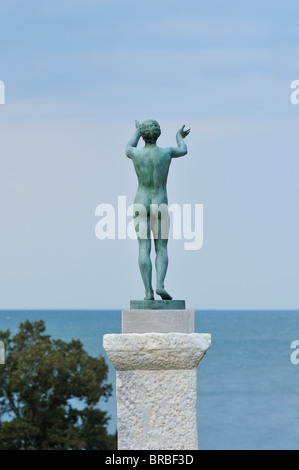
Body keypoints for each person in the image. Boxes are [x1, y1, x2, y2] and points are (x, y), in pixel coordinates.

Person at [126, 119, 190, 300]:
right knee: (161, 248)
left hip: (140, 201)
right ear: (158, 133)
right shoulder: (167, 153)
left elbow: (128, 147)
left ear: (144, 135)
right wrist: (179, 136)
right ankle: (160, 284)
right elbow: (184, 149)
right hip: (159, 201)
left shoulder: (136, 153)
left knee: (143, 248)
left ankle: (148, 292)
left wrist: (137, 131)